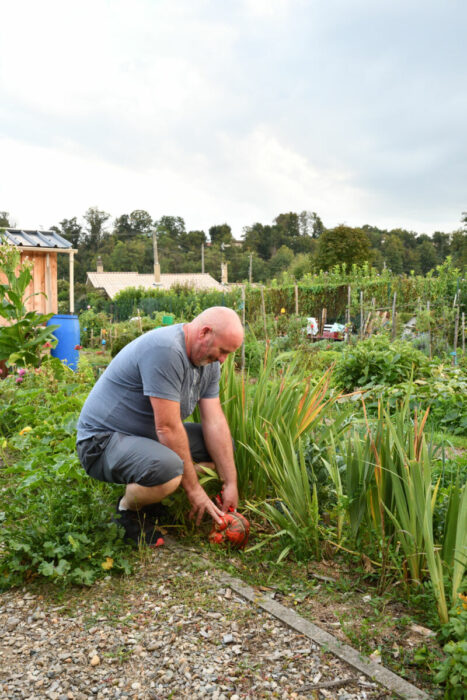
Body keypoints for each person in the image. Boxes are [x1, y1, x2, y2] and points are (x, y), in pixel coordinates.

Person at [76, 306, 244, 546]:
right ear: (204, 332)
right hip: (102, 442)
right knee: (170, 468)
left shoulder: (209, 364)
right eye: (223, 350)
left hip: (145, 438)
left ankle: (153, 492)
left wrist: (231, 483)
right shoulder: (166, 351)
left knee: (222, 449)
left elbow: (214, 421)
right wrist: (194, 490)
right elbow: (167, 428)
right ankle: (126, 512)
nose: (223, 359)